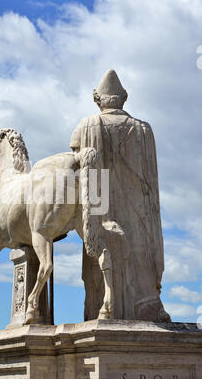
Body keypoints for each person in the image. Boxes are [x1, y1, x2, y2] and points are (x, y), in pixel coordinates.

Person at [70, 69, 170, 322]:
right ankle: (145, 306)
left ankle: (105, 307)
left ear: (97, 99)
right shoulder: (143, 129)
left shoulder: (86, 126)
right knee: (139, 258)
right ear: (123, 97)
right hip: (139, 211)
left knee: (103, 259)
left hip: (100, 206)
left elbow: (72, 166)